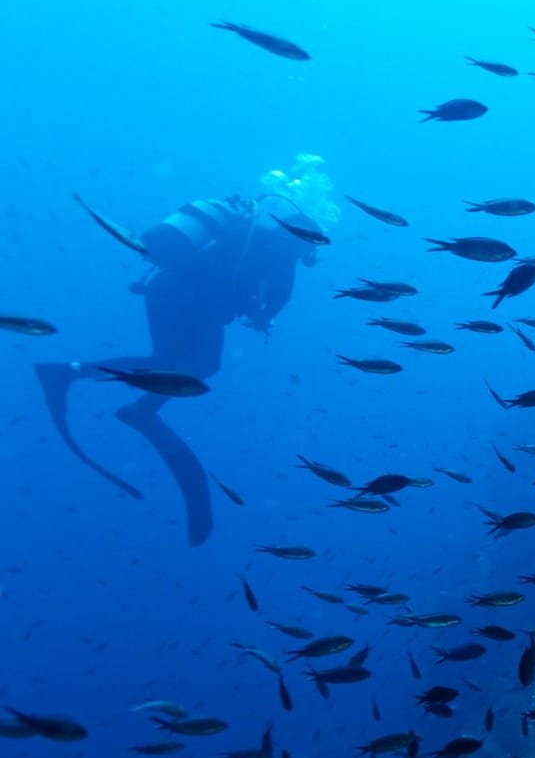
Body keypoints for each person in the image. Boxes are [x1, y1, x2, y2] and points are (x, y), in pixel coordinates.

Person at [35, 156, 335, 546]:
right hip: (190, 302)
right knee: (199, 365)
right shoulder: (285, 254)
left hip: (166, 291)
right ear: (306, 238)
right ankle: (114, 396)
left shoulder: (256, 234)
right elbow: (275, 303)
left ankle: (92, 382)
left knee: (184, 364)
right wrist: (262, 317)